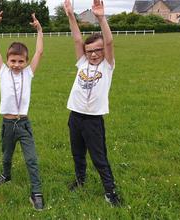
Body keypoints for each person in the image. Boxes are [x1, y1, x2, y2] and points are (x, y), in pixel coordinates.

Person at [63, 0, 121, 206]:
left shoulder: (107, 66)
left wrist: (101, 18)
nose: (94, 54)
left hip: (93, 120)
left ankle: (110, 192)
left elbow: (109, 42)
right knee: (77, 153)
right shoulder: (82, 62)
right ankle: (80, 180)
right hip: (75, 116)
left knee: (99, 157)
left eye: (97, 50)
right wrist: (70, 15)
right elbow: (78, 40)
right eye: (90, 51)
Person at [0, 11, 45, 211]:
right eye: (13, 61)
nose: (16, 65)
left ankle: (36, 192)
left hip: (23, 124)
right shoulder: (2, 71)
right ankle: (6, 175)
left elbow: (39, 53)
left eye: (21, 61)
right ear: (7, 60)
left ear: (26, 62)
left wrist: (39, 30)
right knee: (6, 155)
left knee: (31, 159)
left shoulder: (28, 73)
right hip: (7, 123)